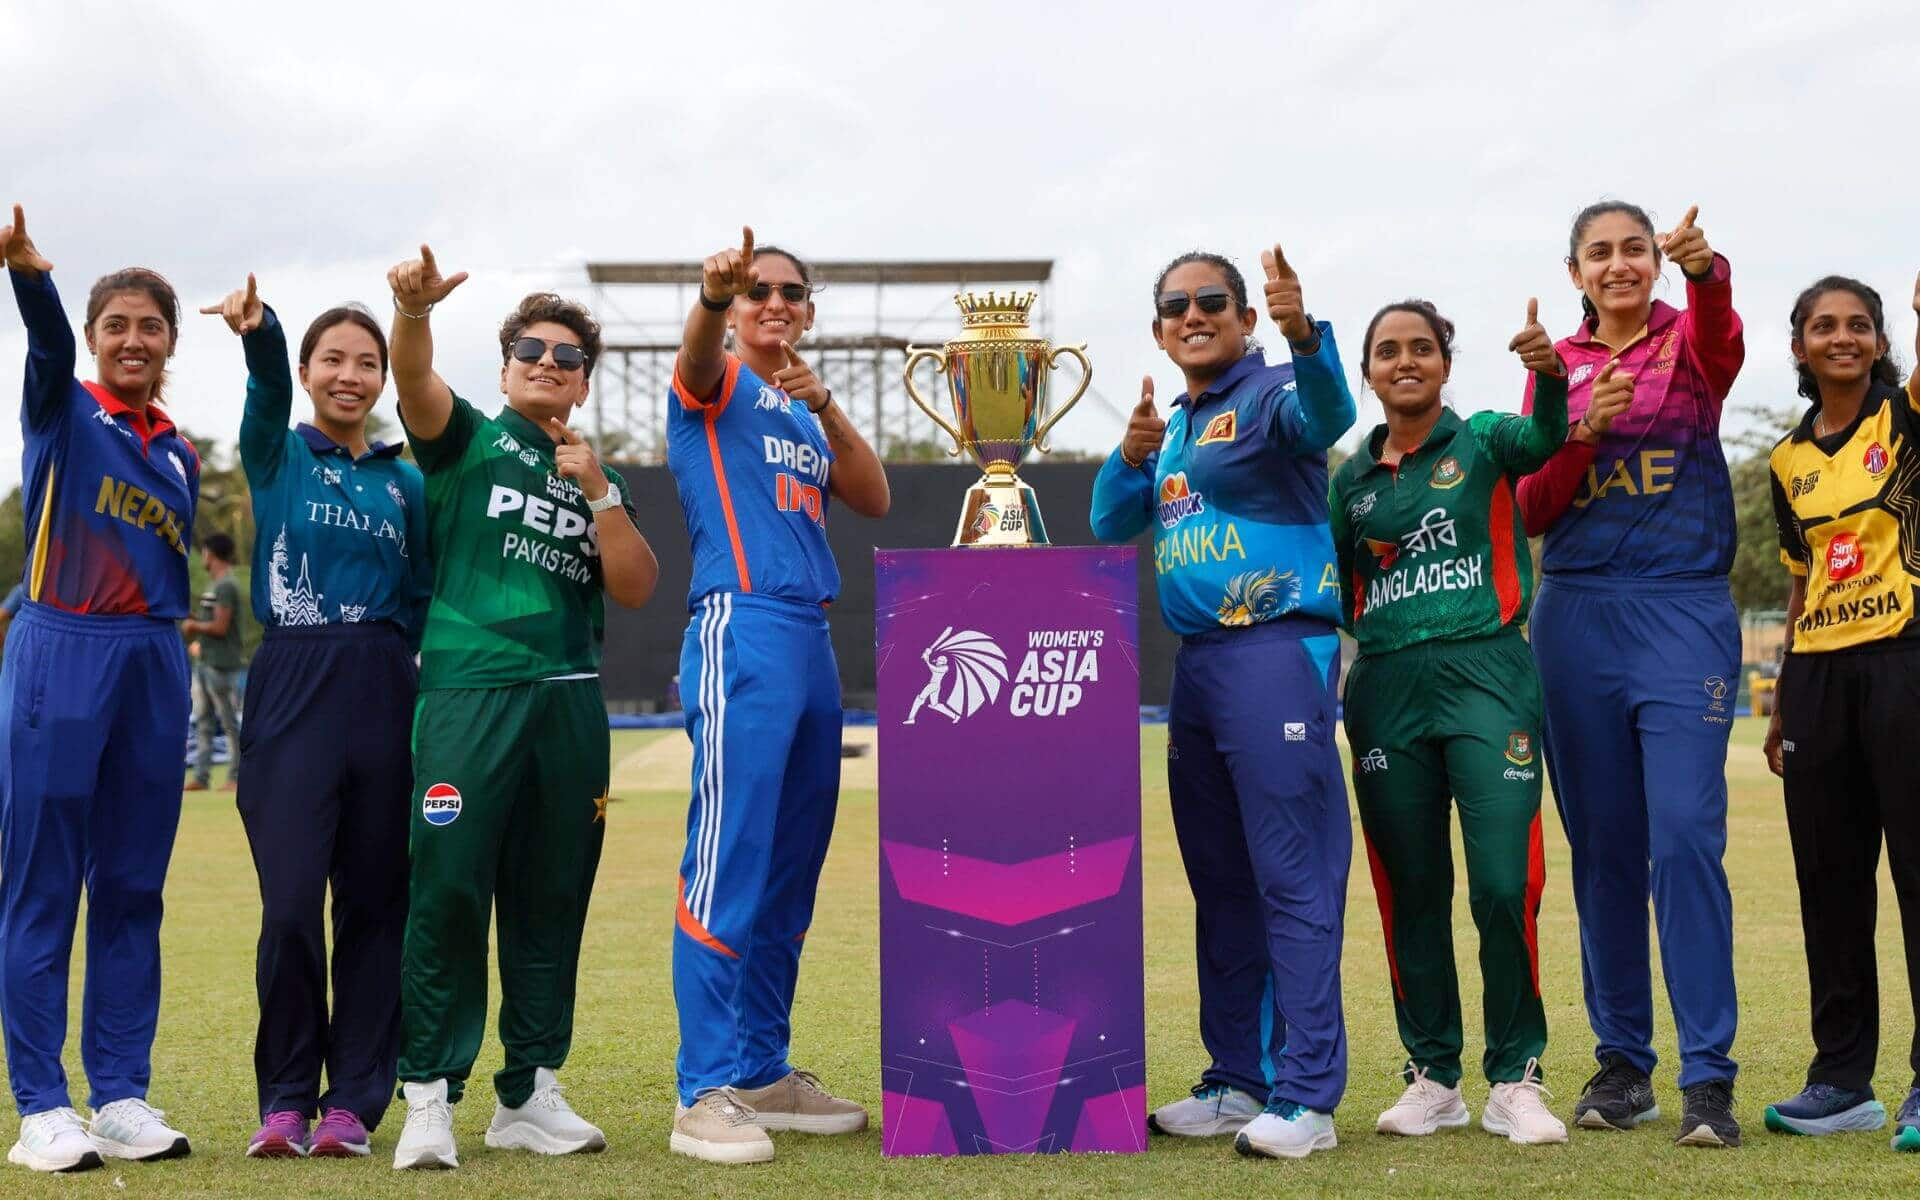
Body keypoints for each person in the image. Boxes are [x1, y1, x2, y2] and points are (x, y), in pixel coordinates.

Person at [382, 247, 659, 1170]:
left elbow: (637, 586)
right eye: (531, 350)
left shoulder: (592, 472)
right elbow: (413, 378)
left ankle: (529, 1090)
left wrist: (601, 492)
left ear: (584, 382)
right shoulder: (466, 437)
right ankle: (430, 1095)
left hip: (570, 707)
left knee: (551, 901)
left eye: (567, 356)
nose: (549, 362)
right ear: (505, 367)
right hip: (470, 693)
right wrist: (413, 314)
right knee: (451, 891)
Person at [1089, 244, 1355, 1160]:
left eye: (1212, 301)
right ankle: (1239, 1079)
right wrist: (1128, 458)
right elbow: (1107, 523)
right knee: (1221, 883)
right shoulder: (1172, 426)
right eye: (1175, 306)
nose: (1193, 315)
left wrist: (1302, 332)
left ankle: (1309, 1096)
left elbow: (1333, 412)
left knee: (1292, 874)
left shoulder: (1274, 391)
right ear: (1160, 331)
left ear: (1243, 317)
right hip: (1200, 667)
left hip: (1278, 651)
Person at [1515, 202, 1745, 1148]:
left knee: (1685, 834)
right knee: (1603, 849)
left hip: (1682, 608)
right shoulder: (1554, 369)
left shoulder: (1689, 343)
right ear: (1574, 271)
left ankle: (1709, 1076)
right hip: (1575, 617)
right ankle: (1623, 1066)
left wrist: (1709, 271)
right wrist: (1575, 427)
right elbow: (1530, 507)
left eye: (1635, 250)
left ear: (1656, 261)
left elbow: (1724, 338)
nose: (1618, 265)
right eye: (1599, 253)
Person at [665, 229, 889, 1165]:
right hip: (741, 627)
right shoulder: (715, 383)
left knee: (790, 870)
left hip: (808, 637)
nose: (776, 303)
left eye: (792, 293)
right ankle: (702, 1091)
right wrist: (713, 300)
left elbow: (872, 494)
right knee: (729, 862)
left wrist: (828, 404)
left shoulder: (800, 408)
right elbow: (692, 358)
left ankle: (762, 1069)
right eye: (758, 290)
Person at [199, 275, 432, 1158]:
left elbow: (418, 596)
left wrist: (392, 673)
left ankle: (354, 1103)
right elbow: (260, 394)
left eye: (367, 363)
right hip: (291, 677)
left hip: (381, 679)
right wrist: (261, 336)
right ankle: (286, 1099)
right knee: (291, 904)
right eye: (332, 359)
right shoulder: (277, 455)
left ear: (382, 381)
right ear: (307, 371)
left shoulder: (405, 481)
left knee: (375, 906)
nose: (351, 374)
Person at [1329, 298, 1568, 1148]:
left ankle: (1516, 1077)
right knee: (1412, 892)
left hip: (1487, 674)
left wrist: (1547, 373)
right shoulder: (1351, 481)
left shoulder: (1489, 440)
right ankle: (1433, 1075)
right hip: (1388, 686)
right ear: (1368, 371)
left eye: (1422, 348)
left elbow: (1548, 442)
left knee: (1506, 881)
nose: (1406, 362)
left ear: (1445, 363)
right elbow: (1346, 591)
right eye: (1388, 351)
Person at [0, 205, 197, 1172]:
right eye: (115, 325)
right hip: (61, 649)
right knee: (42, 887)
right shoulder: (61, 409)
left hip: (155, 662)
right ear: (92, 339)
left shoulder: (180, 453)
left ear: (169, 345)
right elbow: (40, 342)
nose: (132, 339)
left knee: (132, 888)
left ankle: (118, 1091)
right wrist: (32, 281)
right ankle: (42, 1106)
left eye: (149, 326)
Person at [1763, 273, 1920, 1148]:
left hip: (1907, 661)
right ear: (1800, 347)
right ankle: (1840, 1080)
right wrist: (1784, 698)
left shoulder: (1906, 420)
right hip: (1819, 675)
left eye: (1859, 325)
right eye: (1825, 326)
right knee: (1828, 884)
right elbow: (1799, 581)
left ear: (1880, 339)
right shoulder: (1787, 461)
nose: (1843, 337)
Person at [180, 531, 245, 791]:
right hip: (206, 662)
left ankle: (236, 776)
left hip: (221, 664)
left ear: (212, 553)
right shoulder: (213, 584)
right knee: (204, 723)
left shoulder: (226, 585)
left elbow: (220, 626)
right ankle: (202, 777)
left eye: (205, 551)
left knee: (228, 722)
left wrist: (194, 625)